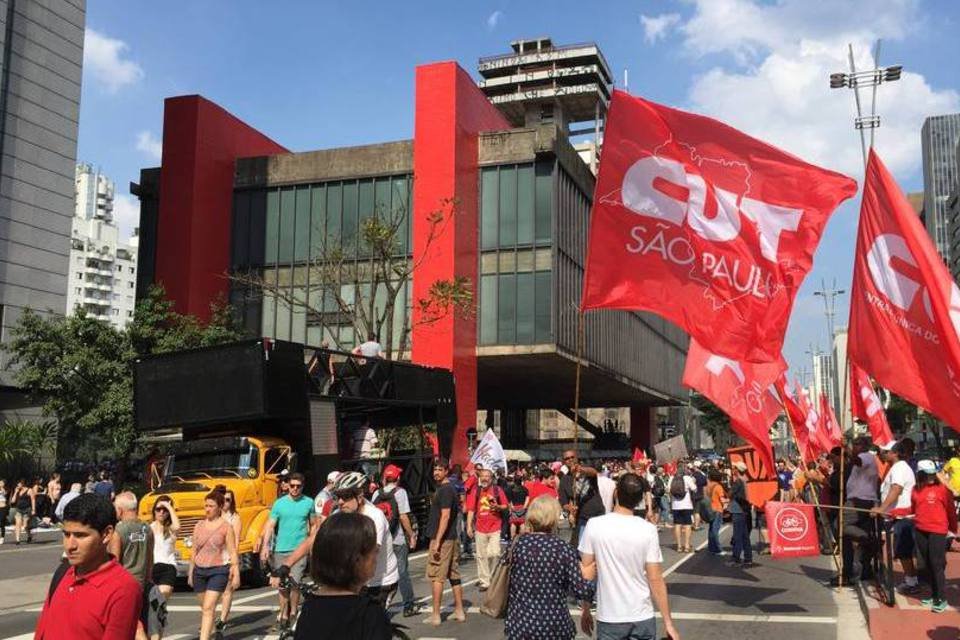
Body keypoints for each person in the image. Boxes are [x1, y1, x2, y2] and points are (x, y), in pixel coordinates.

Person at [579, 473, 681, 640]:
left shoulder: (595, 525)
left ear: (616, 493)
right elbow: (655, 578)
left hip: (610, 616)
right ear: (640, 499)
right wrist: (668, 623)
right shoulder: (647, 529)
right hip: (641, 614)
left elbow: (586, 572)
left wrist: (586, 609)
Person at [34, 493, 142, 639]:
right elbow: (41, 632)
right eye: (66, 535)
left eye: (80, 536)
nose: (70, 545)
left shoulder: (123, 589)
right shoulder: (63, 573)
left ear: (106, 534)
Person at [505, 496, 594, 640]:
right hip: (554, 624)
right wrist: (588, 576)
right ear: (553, 518)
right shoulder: (562, 549)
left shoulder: (516, 545)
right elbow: (581, 590)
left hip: (520, 623)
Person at [292, 512, 392, 640]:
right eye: (374, 551)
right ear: (357, 559)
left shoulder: (309, 608)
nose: (376, 558)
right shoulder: (369, 613)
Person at [327, 471, 399, 608]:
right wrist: (287, 564)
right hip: (358, 581)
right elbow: (316, 538)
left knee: (371, 624)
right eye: (338, 497)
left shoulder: (374, 517)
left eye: (346, 496)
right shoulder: (339, 514)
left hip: (381, 583)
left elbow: (372, 552)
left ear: (359, 498)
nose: (340, 502)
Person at [258, 471, 315, 629]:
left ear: (303, 487)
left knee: (295, 582)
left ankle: (293, 611)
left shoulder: (309, 502)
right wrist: (265, 546)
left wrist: (311, 546)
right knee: (282, 584)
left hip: (300, 550)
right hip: (280, 549)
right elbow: (270, 525)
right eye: (292, 486)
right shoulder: (279, 503)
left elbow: (314, 525)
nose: (295, 489)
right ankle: (283, 612)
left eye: (298, 486)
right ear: (287, 486)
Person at [189, 486, 239, 640]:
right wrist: (191, 572)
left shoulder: (226, 527)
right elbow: (194, 550)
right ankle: (210, 633)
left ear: (219, 508)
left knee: (209, 607)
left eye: (211, 506)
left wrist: (235, 572)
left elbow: (232, 551)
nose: (207, 509)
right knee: (205, 608)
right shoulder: (198, 526)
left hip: (219, 570)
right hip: (200, 570)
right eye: (206, 505)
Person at [112, 491, 164, 640]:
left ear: (121, 510)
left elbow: (114, 562)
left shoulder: (119, 531)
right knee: (143, 621)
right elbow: (150, 558)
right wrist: (147, 580)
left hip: (124, 585)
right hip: (141, 583)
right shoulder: (147, 529)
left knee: (135, 625)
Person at [371, 464, 421, 617]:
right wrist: (411, 535)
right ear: (398, 478)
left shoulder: (375, 494)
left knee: (382, 573)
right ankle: (409, 605)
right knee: (402, 572)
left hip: (382, 539)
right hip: (397, 539)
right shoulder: (400, 493)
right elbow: (404, 517)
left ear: (385, 478)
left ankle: (379, 606)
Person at [871, 440, 918, 594]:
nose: (883, 454)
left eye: (886, 452)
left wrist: (881, 509)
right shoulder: (896, 468)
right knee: (901, 550)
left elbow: (896, 489)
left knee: (903, 551)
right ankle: (911, 580)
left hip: (902, 517)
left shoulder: (899, 468)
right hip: (896, 516)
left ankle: (912, 583)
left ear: (895, 453)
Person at [912, 459, 958, 613]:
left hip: (938, 530)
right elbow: (912, 509)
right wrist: (894, 513)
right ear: (920, 474)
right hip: (920, 529)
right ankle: (933, 594)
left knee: (936, 563)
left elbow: (951, 511)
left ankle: (942, 598)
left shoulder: (943, 490)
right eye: (928, 474)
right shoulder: (915, 490)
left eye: (933, 473)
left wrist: (953, 529)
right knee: (926, 563)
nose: (931, 476)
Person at [425, 459, 465, 626]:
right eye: (435, 469)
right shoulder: (445, 489)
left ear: (446, 471)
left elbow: (446, 516)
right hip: (450, 538)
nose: (436, 473)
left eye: (440, 469)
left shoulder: (446, 490)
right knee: (453, 575)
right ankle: (459, 611)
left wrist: (437, 541)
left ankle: (436, 614)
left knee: (437, 576)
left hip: (444, 539)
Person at [465, 468, 509, 592]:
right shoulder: (476, 491)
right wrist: (469, 526)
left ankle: (493, 577)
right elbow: (471, 510)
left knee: (494, 553)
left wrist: (498, 506)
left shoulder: (497, 490)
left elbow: (506, 506)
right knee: (481, 556)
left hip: (495, 526)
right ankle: (485, 581)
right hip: (480, 528)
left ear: (491, 478)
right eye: (482, 476)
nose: (484, 478)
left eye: (487, 476)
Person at [558, 449, 604, 546]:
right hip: (582, 518)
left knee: (600, 545)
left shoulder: (586, 470)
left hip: (598, 515)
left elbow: (593, 472)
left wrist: (580, 470)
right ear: (564, 462)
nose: (570, 460)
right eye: (567, 458)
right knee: (583, 547)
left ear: (577, 457)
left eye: (572, 457)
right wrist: (570, 508)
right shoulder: (564, 480)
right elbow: (563, 503)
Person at [218, 489, 243, 633]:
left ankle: (222, 619)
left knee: (227, 590)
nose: (225, 502)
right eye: (223, 499)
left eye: (228, 500)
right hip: (214, 558)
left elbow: (237, 540)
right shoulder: (214, 516)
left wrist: (235, 561)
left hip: (228, 557)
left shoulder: (235, 518)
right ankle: (211, 615)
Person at [149, 496, 180, 602]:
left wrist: (168, 506)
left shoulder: (171, 528)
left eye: (165, 510)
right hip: (152, 566)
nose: (161, 512)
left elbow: (177, 527)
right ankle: (159, 616)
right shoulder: (149, 528)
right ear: (154, 511)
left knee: (163, 594)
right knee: (153, 602)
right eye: (158, 509)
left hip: (168, 566)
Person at [728, 462, 753, 566]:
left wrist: (730, 483)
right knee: (745, 535)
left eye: (734, 468)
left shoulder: (738, 481)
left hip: (738, 510)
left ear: (737, 470)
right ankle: (748, 558)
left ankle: (736, 558)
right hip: (745, 509)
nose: (732, 469)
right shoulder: (746, 479)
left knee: (738, 535)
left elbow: (730, 494)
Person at [669, 465, 698, 553]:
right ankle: (687, 546)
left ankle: (679, 546)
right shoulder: (687, 478)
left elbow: (668, 490)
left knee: (677, 525)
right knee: (687, 525)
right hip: (686, 505)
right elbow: (695, 489)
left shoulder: (671, 478)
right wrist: (693, 482)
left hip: (675, 506)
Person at [706, 470, 727, 555]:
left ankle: (711, 547)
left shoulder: (708, 486)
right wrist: (729, 500)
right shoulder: (718, 487)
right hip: (717, 509)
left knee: (711, 529)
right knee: (715, 530)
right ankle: (717, 549)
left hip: (710, 509)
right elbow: (722, 499)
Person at [506, 471, 531, 539]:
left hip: (514, 507)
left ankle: (512, 538)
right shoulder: (525, 489)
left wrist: (511, 507)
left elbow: (509, 500)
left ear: (514, 481)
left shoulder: (511, 489)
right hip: (522, 507)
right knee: (522, 523)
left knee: (513, 523)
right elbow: (527, 498)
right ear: (521, 481)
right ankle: (522, 538)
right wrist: (525, 506)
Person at [11, 478, 34, 544]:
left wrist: (33, 509)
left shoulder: (29, 490)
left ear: (22, 484)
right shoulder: (17, 491)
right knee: (18, 524)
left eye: (18, 484)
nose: (17, 485)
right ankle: (17, 540)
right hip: (18, 509)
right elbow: (13, 501)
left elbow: (33, 500)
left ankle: (29, 536)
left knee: (25, 525)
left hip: (27, 509)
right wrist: (15, 492)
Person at [0, 479, 7, 545]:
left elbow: (4, 493)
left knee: (2, 522)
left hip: (3, 508)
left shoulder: (5, 489)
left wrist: (2, 487)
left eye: (1, 483)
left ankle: (2, 537)